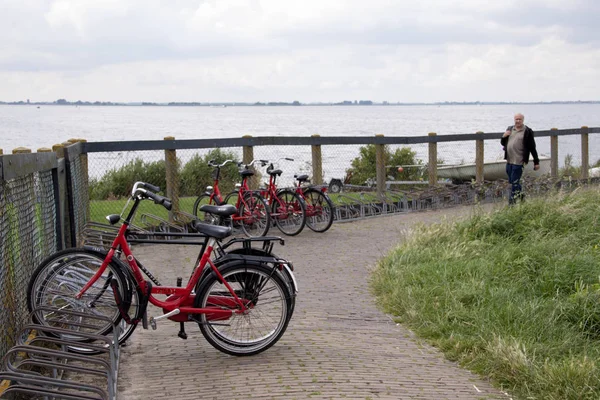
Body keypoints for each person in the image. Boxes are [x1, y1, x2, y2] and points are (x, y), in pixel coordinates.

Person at [500, 113, 540, 205]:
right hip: (509, 160)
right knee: (513, 181)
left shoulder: (527, 131)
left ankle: (511, 204)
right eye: (516, 119)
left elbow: (532, 147)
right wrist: (504, 136)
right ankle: (522, 197)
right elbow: (503, 143)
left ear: (523, 120)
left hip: (519, 161)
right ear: (514, 120)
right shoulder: (510, 129)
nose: (518, 121)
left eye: (520, 119)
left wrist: (536, 162)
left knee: (514, 183)